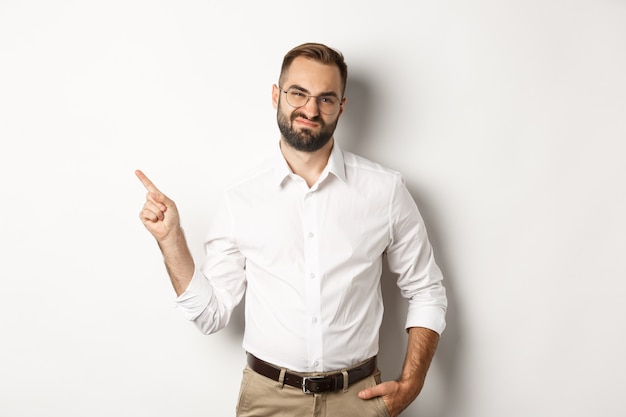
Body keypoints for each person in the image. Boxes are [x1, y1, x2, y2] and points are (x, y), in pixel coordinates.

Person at [136, 42, 447, 417]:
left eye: (326, 98)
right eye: (298, 93)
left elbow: (426, 290)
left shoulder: (385, 191)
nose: (311, 110)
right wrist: (171, 240)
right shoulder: (240, 199)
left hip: (360, 401)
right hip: (269, 400)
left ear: (342, 107)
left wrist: (412, 383)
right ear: (276, 95)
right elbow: (211, 315)